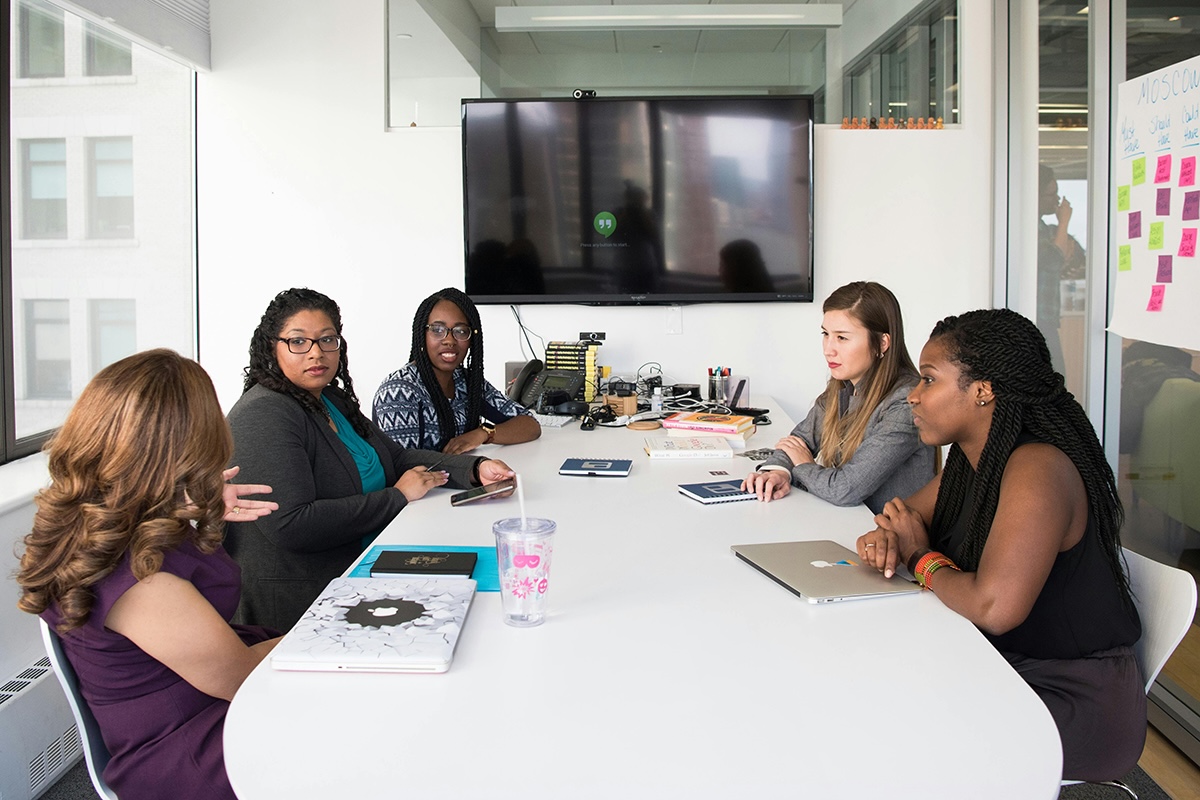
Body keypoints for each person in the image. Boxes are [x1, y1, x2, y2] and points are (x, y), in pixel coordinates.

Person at [857, 308, 1144, 781]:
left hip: (1067, 699)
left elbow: (994, 607)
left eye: (929, 380)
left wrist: (917, 556)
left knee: (888, 727)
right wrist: (887, 540)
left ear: (983, 390)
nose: (913, 395)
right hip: (997, 662)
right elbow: (895, 520)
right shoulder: (974, 462)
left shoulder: (1038, 468)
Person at [16, 349, 281, 800]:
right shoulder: (143, 583)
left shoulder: (95, 521)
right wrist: (322, 632)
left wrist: (190, 504)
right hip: (190, 750)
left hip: (191, 702)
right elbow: (240, 681)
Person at [225, 288, 516, 632]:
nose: (316, 353)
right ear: (272, 346)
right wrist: (397, 496)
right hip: (301, 604)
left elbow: (396, 457)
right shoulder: (264, 413)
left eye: (327, 339)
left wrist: (474, 469)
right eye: (299, 341)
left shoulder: (328, 398)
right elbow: (293, 525)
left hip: (364, 568)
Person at [742, 281, 936, 513]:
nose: (828, 349)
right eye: (826, 334)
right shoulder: (842, 386)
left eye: (842, 338)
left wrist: (803, 465)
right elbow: (799, 440)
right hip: (854, 525)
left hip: (890, 540)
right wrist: (777, 472)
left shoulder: (905, 403)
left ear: (882, 343)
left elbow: (844, 489)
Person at [373, 287, 540, 453]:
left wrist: (483, 433)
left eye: (460, 331)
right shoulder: (399, 391)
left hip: (466, 476)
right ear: (421, 334)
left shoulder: (466, 382)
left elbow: (530, 425)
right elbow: (404, 465)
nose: (449, 340)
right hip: (442, 478)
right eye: (437, 330)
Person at [1037, 164, 1086, 375]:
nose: (1057, 200)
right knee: (1054, 377)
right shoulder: (1027, 228)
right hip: (1037, 318)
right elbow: (1053, 258)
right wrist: (1064, 221)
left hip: (1047, 317)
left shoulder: (1047, 230)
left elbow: (1075, 259)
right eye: (1051, 194)